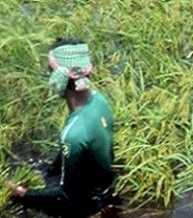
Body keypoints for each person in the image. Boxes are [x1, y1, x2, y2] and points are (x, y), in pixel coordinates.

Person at [5, 38, 117, 218]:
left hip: (88, 205)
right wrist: (50, 170)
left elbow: (66, 195)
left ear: (60, 78)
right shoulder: (99, 100)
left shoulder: (72, 135)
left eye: (51, 73)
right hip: (107, 187)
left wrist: (24, 195)